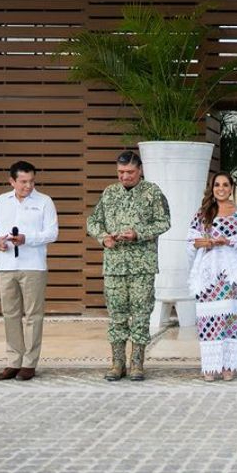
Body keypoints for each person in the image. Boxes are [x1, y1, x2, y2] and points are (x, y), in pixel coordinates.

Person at [86, 150, 170, 382]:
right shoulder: (109, 193)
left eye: (130, 172)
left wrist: (138, 234)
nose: (125, 176)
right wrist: (103, 237)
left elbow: (165, 221)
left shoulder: (152, 192)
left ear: (140, 170)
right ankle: (117, 363)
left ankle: (137, 364)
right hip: (114, 265)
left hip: (142, 266)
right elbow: (93, 221)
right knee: (117, 316)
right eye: (121, 172)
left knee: (141, 316)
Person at [0, 160, 59, 381]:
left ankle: (29, 363)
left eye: (32, 181)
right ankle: (14, 361)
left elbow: (52, 233)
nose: (28, 185)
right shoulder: (1, 201)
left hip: (33, 266)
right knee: (10, 314)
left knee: (33, 315)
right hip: (6, 266)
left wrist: (27, 239)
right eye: (23, 181)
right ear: (12, 181)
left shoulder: (45, 201)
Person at [185, 172, 237, 382]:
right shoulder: (202, 213)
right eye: (217, 185)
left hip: (231, 273)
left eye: (225, 184)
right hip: (208, 275)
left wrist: (228, 241)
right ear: (212, 188)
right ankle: (210, 365)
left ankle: (227, 364)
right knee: (208, 318)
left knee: (229, 318)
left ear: (231, 187)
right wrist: (201, 243)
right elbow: (190, 240)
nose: (221, 188)